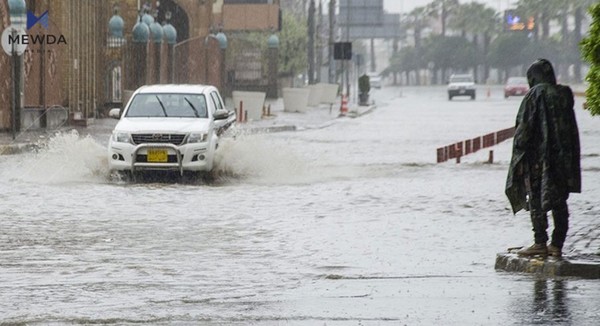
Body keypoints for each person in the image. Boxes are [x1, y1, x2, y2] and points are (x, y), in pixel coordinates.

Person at [505, 59, 581, 258]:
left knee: (537, 198)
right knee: (560, 200)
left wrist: (519, 157)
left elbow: (524, 129)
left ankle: (540, 242)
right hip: (564, 159)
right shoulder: (565, 94)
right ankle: (557, 244)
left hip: (540, 159)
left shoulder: (534, 95)